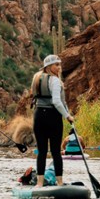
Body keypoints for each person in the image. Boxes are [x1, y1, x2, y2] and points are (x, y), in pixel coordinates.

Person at [31, 54, 74, 188]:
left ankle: (39, 183)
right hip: (53, 116)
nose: (59, 67)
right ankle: (59, 183)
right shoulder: (54, 80)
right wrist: (67, 116)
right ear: (49, 67)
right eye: (56, 65)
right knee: (55, 151)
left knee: (42, 151)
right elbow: (57, 101)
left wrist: (66, 112)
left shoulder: (36, 78)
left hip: (38, 116)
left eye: (59, 64)